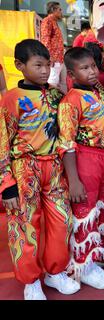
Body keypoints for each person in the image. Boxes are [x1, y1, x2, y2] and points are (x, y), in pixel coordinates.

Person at [0, 39, 80, 300]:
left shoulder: (57, 95)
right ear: (20, 66)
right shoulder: (11, 99)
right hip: (25, 168)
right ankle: (30, 281)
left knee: (61, 221)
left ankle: (55, 272)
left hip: (54, 168)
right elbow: (2, 142)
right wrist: (6, 182)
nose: (45, 70)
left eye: (48, 65)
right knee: (25, 226)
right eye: (38, 65)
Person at [58, 47, 104, 288]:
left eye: (93, 66)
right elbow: (66, 142)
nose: (92, 71)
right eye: (84, 68)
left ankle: (103, 253)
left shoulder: (100, 92)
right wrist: (74, 180)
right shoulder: (70, 101)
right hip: (84, 158)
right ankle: (84, 265)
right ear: (72, 74)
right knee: (85, 211)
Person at [40, 1, 66, 93]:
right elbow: (45, 40)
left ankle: (62, 103)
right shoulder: (47, 21)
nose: (61, 12)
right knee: (52, 82)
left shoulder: (54, 22)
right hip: (54, 60)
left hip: (59, 59)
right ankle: (51, 105)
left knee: (61, 84)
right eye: (60, 9)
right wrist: (49, 57)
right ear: (53, 10)